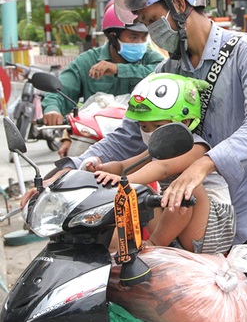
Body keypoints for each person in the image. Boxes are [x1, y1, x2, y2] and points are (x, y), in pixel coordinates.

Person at [29, 0, 247, 322]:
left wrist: (203, 165)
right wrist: (77, 163)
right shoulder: (166, 72)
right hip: (190, 232)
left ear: (180, 4)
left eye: (152, 18)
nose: (150, 31)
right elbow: (127, 136)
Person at [89, 73, 235, 255]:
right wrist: (99, 169)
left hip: (211, 227)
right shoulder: (156, 149)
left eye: (157, 127)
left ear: (184, 122)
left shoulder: (195, 147)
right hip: (177, 222)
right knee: (140, 193)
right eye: (144, 127)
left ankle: (156, 242)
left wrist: (123, 181)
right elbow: (123, 166)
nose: (149, 133)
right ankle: (118, 247)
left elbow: (162, 169)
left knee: (187, 187)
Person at [41, 2, 165, 157]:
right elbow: (60, 90)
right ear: (113, 37)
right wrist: (53, 110)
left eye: (143, 37)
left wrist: (118, 69)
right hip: (94, 144)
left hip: (141, 143)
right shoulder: (87, 61)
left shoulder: (151, 58)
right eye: (133, 37)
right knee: (66, 173)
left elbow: (162, 73)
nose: (139, 43)